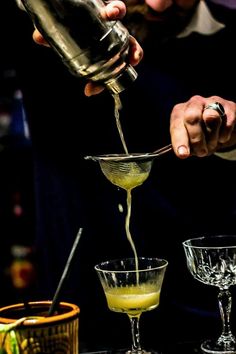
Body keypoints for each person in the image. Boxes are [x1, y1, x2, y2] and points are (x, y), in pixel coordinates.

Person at [2, 0, 236, 352]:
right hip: (73, 321)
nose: (160, 3)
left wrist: (232, 131)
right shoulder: (49, 23)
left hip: (203, 325)